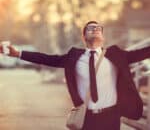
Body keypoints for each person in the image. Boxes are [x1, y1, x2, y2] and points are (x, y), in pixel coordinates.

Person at [0, 21, 150, 130]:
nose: (95, 29)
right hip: (86, 118)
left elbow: (142, 53)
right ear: (84, 37)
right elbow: (47, 58)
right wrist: (18, 53)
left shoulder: (116, 55)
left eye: (98, 28)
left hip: (111, 117)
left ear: (103, 36)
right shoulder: (74, 57)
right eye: (91, 28)